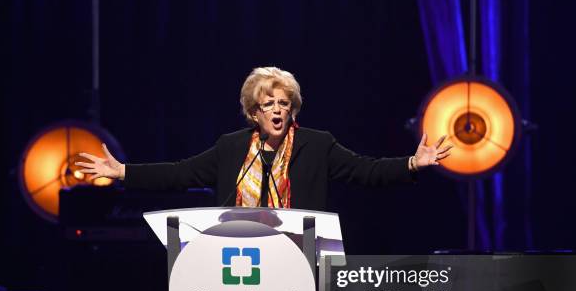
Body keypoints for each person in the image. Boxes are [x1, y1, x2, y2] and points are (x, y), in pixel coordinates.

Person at [76, 66, 452, 210]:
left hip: (301, 263)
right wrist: (124, 171)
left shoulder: (317, 146)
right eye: (268, 103)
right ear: (253, 113)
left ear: (293, 110)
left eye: (284, 103)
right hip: (239, 262)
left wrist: (411, 163)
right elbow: (180, 173)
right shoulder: (232, 148)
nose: (277, 109)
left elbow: (366, 171)